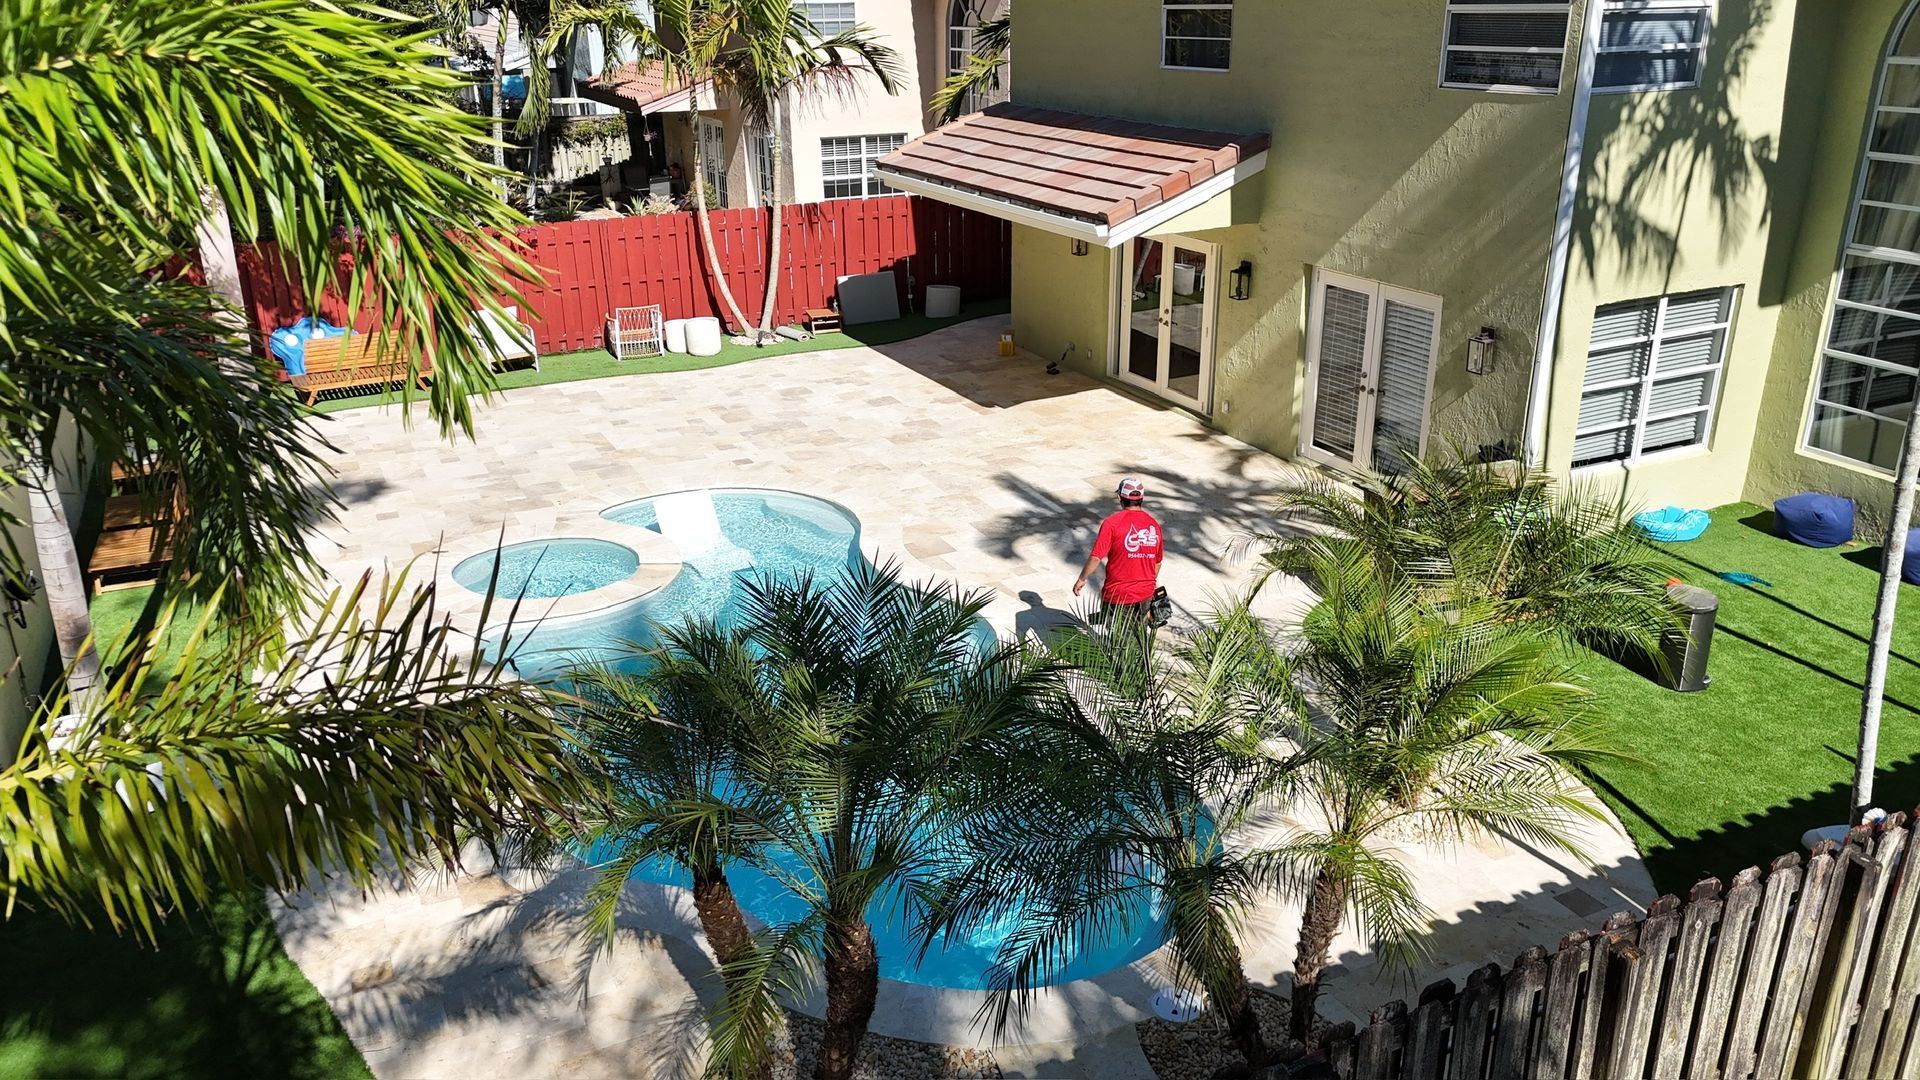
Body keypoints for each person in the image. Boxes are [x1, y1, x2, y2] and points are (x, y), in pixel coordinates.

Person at [1072, 477, 1165, 624]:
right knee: (1141, 638)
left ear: (1119, 497)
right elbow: (1157, 562)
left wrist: (1082, 579)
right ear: (1142, 498)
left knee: (1120, 643)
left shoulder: (1112, 523)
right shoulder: (1154, 525)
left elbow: (1096, 557)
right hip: (1145, 594)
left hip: (1118, 595)